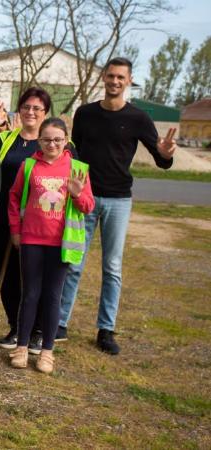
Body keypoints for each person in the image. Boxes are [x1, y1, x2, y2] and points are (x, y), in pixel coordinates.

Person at [58, 57, 176, 354]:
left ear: (129, 80)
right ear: (104, 78)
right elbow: (75, 153)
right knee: (73, 262)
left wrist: (164, 153)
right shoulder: (85, 114)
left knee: (112, 267)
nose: (114, 81)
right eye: (110, 76)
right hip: (84, 198)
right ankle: (60, 322)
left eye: (120, 77)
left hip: (119, 199)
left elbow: (162, 160)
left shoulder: (138, 118)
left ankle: (106, 329)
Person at [8, 117, 94, 373]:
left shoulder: (77, 168)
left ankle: (47, 351)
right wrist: (15, 231)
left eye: (57, 139)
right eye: (47, 140)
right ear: (39, 141)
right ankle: (22, 347)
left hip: (62, 243)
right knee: (30, 294)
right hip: (32, 239)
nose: (52, 144)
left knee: (52, 296)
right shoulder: (29, 165)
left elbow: (89, 207)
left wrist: (78, 194)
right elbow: (14, 198)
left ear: (66, 140)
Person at [0, 88, 56, 354]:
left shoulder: (53, 143)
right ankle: (16, 326)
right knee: (8, 276)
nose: (31, 112)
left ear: (46, 113)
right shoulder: (5, 140)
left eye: (37, 108)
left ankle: (37, 331)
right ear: (19, 110)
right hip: (3, 219)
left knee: (36, 278)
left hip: (41, 223)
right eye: (26, 107)